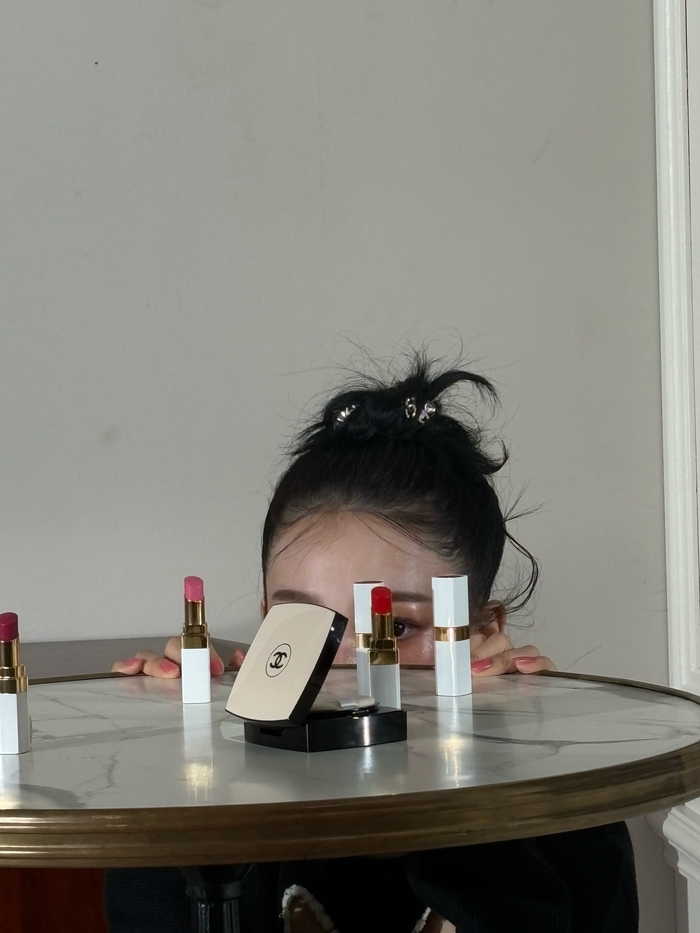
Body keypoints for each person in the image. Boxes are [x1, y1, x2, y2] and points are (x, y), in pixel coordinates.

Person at [108, 356, 637, 933]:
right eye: (303, 622)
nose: (341, 673)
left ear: (482, 633)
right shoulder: (230, 795)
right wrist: (180, 772)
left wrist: (482, 779)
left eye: (396, 629)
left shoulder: (577, 830)